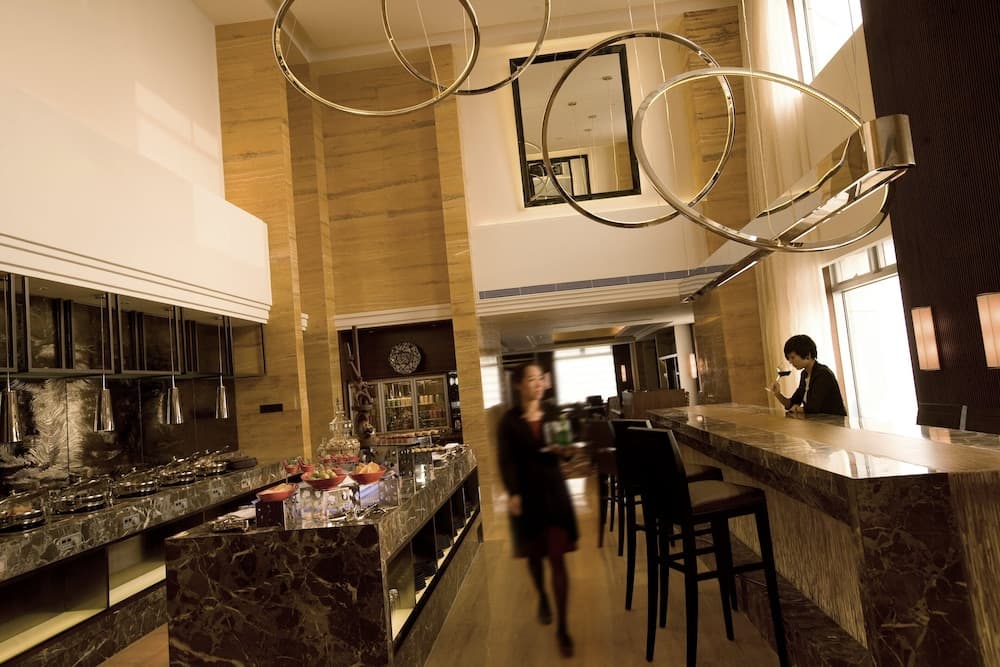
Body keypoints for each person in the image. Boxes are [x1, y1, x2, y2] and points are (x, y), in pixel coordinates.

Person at [497, 363, 579, 658]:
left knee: (557, 557)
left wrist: (565, 450)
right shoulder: (509, 421)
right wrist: (513, 493)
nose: (537, 384)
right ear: (519, 384)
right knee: (534, 554)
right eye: (531, 379)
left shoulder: (554, 413)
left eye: (540, 379)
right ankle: (542, 595)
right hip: (527, 495)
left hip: (554, 494)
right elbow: (506, 460)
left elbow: (567, 451)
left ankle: (563, 628)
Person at [770, 334, 848, 416]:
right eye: (788, 358)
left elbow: (814, 408)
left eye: (792, 357)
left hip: (834, 422)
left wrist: (797, 409)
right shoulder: (804, 374)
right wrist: (777, 394)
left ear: (807, 355)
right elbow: (791, 403)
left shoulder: (823, 374)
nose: (790, 362)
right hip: (818, 422)